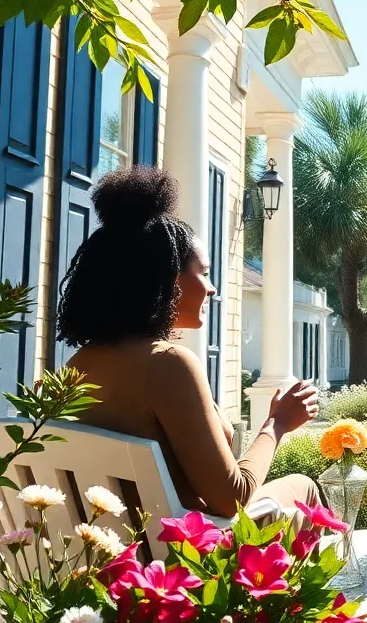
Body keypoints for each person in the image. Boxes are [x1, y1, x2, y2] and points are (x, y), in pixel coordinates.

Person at [57, 167, 323, 519]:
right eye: (205, 273)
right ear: (166, 280)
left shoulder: (78, 364)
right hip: (181, 555)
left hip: (118, 551)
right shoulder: (168, 364)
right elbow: (232, 500)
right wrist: (278, 422)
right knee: (304, 487)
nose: (212, 289)